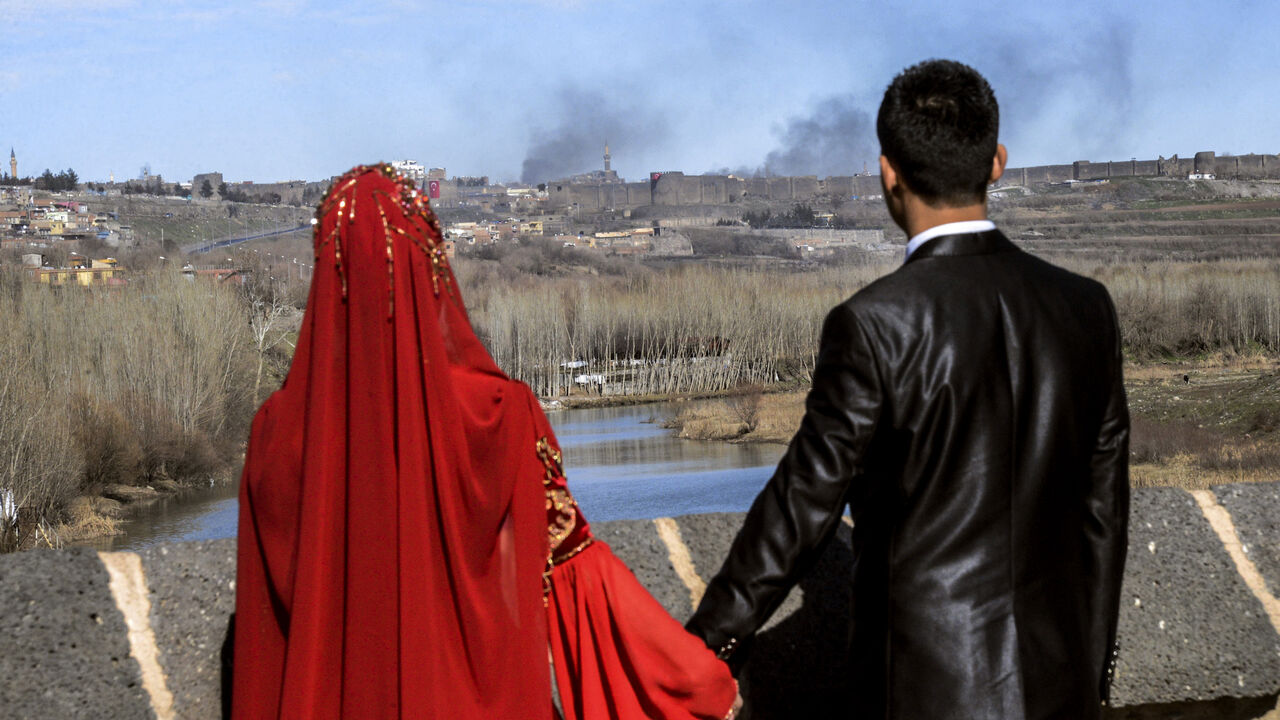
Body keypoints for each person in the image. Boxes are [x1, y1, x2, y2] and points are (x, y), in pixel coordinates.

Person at [686, 59, 1130, 719]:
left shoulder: (873, 324)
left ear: (887, 172)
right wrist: (1088, 675)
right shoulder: (1086, 308)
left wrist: (705, 645)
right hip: (1057, 688)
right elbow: (1104, 517)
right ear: (998, 162)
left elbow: (801, 508)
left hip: (922, 693)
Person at [232, 164, 739, 719]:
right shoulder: (497, 416)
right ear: (431, 269)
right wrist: (696, 677)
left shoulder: (274, 436)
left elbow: (262, 635)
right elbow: (573, 568)